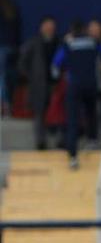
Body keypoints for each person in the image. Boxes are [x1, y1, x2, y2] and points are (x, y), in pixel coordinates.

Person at [52, 20, 101, 169]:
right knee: (91, 113)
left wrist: (58, 74)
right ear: (84, 30)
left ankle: (73, 157)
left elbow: (56, 63)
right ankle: (93, 141)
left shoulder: (67, 45)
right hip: (91, 85)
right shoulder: (93, 43)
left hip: (74, 86)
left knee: (72, 120)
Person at [17, 16, 56, 150]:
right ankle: (41, 141)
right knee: (39, 112)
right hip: (39, 83)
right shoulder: (33, 42)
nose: (50, 29)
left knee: (57, 110)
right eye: (47, 26)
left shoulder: (58, 42)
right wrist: (30, 76)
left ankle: (59, 139)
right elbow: (22, 62)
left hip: (55, 83)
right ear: (42, 27)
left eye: (52, 26)